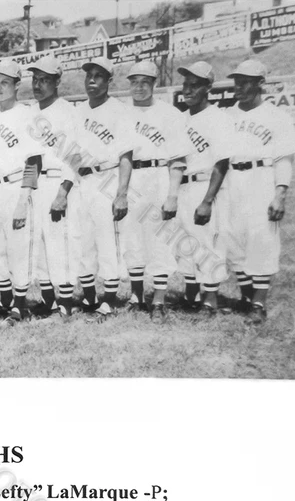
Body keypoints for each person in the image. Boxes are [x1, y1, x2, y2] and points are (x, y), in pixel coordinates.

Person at [222, 60, 295, 323]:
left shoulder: (277, 117)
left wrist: (280, 194)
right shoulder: (227, 115)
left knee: (262, 240)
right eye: (237, 80)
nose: (239, 86)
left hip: (261, 178)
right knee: (232, 241)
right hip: (232, 180)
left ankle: (258, 303)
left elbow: (284, 160)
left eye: (246, 81)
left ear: (260, 83)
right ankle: (246, 296)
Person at [0, 60, 44, 328]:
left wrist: (22, 202)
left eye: (5, 82)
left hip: (16, 184)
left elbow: (34, 161)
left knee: (19, 246)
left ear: (17, 85)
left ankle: (20, 306)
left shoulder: (26, 114)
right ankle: (4, 303)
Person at [122, 60, 189, 319]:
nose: (139, 87)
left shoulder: (169, 114)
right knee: (133, 238)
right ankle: (137, 296)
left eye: (145, 82)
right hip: (133, 177)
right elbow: (124, 156)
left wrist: (172, 195)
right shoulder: (124, 114)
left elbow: (177, 160)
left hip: (159, 174)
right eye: (134, 82)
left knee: (160, 236)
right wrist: (121, 191)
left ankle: (159, 300)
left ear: (154, 84)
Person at [72, 56, 135, 322]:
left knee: (107, 242)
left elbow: (126, 157)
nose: (92, 81)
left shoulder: (120, 110)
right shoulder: (79, 111)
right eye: (89, 75)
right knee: (82, 241)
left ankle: (108, 302)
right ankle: (89, 297)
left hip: (106, 177)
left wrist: (121, 194)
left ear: (109, 80)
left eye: (98, 76)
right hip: (82, 179)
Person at [25, 55, 81, 319]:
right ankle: (47, 302)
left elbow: (75, 157)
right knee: (40, 244)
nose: (38, 85)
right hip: (38, 182)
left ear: (57, 81)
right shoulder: (32, 112)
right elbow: (31, 157)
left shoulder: (68, 111)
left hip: (60, 181)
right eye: (35, 79)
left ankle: (66, 304)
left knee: (61, 244)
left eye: (44, 80)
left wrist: (63, 192)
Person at [173, 61, 231, 314]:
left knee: (209, 242)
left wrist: (208, 200)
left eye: (195, 85)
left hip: (205, 184)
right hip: (184, 187)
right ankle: (191, 294)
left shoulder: (218, 117)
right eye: (186, 84)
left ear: (208, 87)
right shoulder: (181, 118)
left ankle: (210, 299)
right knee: (185, 242)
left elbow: (222, 162)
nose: (188, 90)